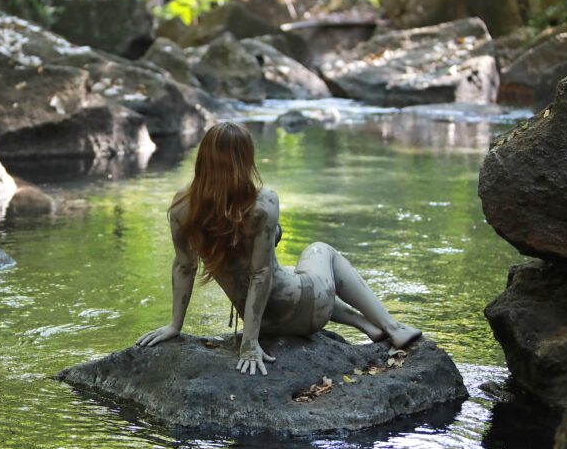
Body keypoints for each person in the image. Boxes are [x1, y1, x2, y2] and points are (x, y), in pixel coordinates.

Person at [136, 122, 422, 376]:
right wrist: (248, 346)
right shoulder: (263, 203)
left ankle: (368, 327)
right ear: (246, 159)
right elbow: (260, 275)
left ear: (203, 160)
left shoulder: (183, 207)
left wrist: (175, 326)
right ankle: (392, 328)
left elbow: (184, 267)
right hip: (301, 312)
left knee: (290, 274)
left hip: (267, 324)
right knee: (321, 250)